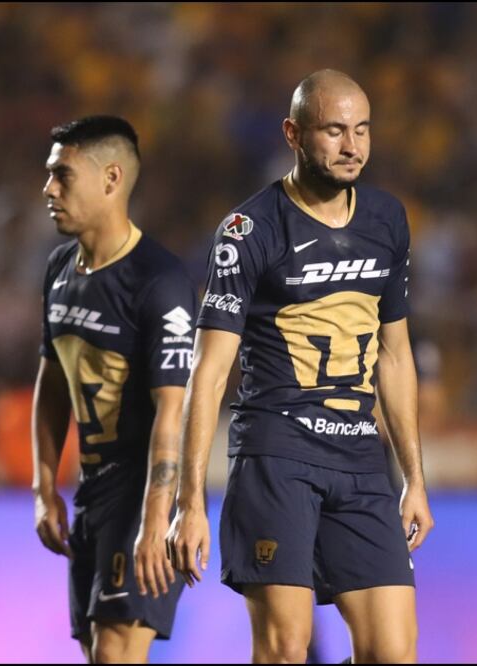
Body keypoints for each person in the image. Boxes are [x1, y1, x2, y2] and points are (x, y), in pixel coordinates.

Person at [165, 70, 434, 664]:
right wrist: (188, 503)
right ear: (293, 133)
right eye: (334, 131)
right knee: (286, 648)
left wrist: (414, 478)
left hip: (362, 460)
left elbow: (395, 354)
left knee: (395, 652)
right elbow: (208, 374)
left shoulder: (388, 220)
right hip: (276, 454)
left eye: (362, 130)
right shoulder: (249, 230)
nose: (352, 146)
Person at [32, 116, 195, 663]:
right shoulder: (58, 269)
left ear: (111, 178)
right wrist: (42, 485)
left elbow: (174, 411)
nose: (48, 189)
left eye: (62, 176)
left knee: (115, 653)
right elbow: (52, 382)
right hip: (91, 494)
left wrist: (157, 518)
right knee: (95, 651)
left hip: (140, 492)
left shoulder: (161, 282)